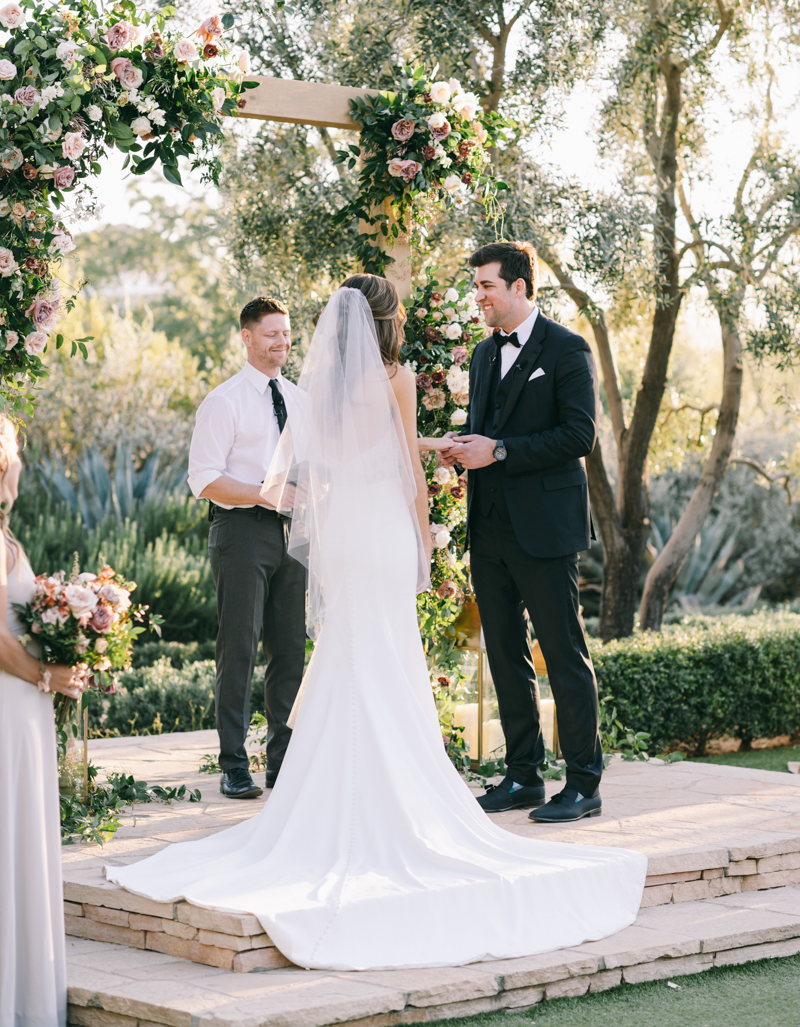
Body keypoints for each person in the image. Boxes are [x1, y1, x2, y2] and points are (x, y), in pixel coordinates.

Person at [108, 273, 645, 970]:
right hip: (386, 527)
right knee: (389, 656)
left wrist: (413, 456)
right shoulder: (398, 375)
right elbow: (405, 469)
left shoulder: (316, 391)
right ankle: (396, 799)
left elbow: (322, 467)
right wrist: (424, 541)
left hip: (344, 533)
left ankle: (323, 798)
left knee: (346, 654)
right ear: (387, 321)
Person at [440, 241, 604, 823]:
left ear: (520, 287)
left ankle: (584, 784)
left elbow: (578, 436)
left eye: (487, 285)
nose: (478, 296)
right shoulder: (484, 357)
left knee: (563, 655)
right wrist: (463, 450)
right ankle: (523, 778)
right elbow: (486, 435)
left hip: (546, 531)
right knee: (506, 657)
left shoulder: (567, 349)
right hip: (488, 532)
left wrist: (501, 450)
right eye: (478, 286)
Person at [188, 296, 306, 798]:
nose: (283, 342)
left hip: (294, 533)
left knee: (291, 649)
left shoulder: (300, 399)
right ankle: (235, 765)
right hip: (241, 533)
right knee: (238, 648)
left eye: (286, 334)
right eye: (272, 334)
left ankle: (282, 763)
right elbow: (204, 479)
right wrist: (265, 492)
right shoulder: (224, 401)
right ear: (247, 337)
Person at [0, 415, 88, 1026]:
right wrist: (43, 675)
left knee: (21, 839)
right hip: (9, 705)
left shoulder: (8, 539)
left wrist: (71, 648)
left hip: (24, 711)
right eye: (14, 451)